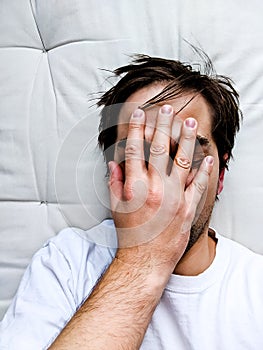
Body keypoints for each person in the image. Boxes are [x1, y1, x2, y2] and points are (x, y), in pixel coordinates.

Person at [1, 54, 263, 350]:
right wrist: (143, 258)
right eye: (138, 153)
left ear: (221, 175)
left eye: (186, 152)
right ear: (113, 176)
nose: (162, 180)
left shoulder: (255, 288)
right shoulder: (66, 263)